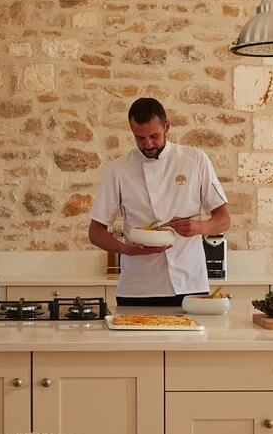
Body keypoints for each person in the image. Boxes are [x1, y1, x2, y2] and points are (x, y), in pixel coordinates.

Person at [88, 97, 231, 306]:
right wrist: (127, 249)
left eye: (154, 136)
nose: (148, 144)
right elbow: (95, 232)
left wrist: (199, 227)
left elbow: (224, 219)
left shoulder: (195, 160)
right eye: (140, 138)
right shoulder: (117, 170)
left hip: (189, 284)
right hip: (138, 286)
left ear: (166, 126)